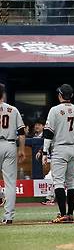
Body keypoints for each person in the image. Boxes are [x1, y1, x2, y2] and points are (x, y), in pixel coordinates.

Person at [43, 84, 74, 223]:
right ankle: (70, 214)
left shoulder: (54, 110)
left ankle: (63, 214)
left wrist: (45, 151)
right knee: (72, 183)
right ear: (72, 96)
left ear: (60, 95)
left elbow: (48, 133)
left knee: (58, 183)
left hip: (60, 148)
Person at [0, 83, 26, 225]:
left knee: (8, 184)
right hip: (9, 144)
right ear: (3, 94)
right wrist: (21, 149)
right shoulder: (13, 109)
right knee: (10, 183)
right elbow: (21, 133)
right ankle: (8, 216)